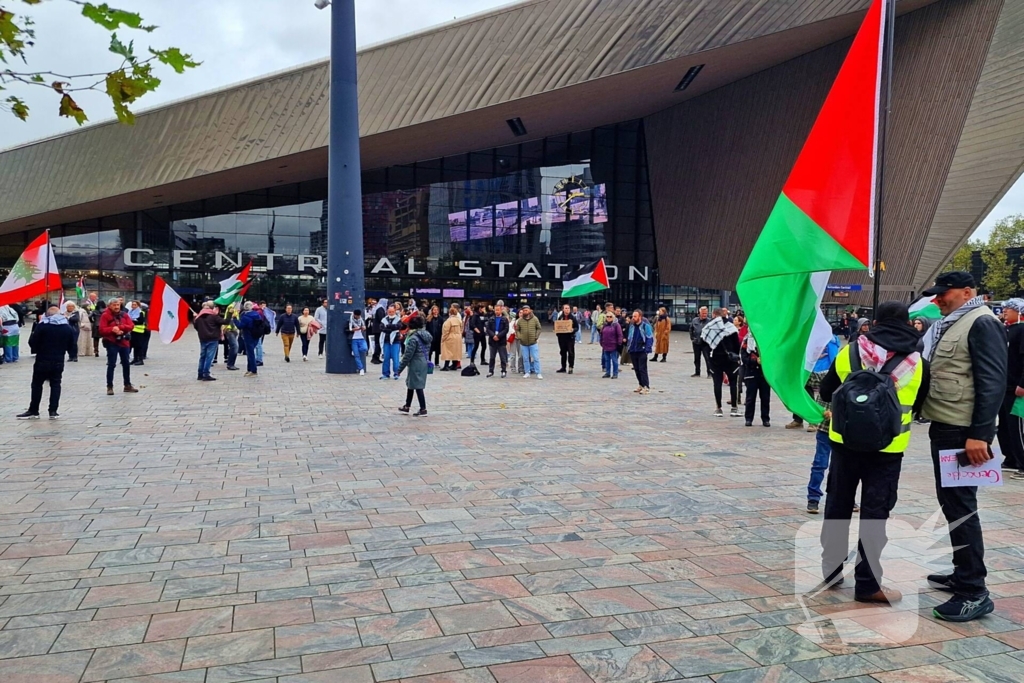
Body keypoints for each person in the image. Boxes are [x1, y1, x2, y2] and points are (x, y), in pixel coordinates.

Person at [818, 301, 928, 605]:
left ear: (874, 322)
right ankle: (868, 585)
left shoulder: (849, 352)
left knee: (838, 505)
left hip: (844, 443)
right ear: (908, 323)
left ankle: (831, 570)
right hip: (888, 450)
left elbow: (826, 392)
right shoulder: (918, 362)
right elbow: (920, 405)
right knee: (875, 515)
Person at [920, 271, 1006, 622]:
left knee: (961, 506)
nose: (938, 299)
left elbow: (993, 380)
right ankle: (962, 573)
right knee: (952, 504)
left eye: (945, 293)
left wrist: (980, 435)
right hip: (946, 423)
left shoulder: (982, 322)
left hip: (963, 432)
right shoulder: (955, 321)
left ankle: (974, 590)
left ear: (968, 291)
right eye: (936, 294)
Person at [17, 305, 76, 419]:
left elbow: (33, 342)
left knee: (37, 384)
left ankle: (34, 410)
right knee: (55, 384)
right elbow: (71, 344)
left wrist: (38, 349)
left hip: (42, 359)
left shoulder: (42, 326)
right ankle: (53, 411)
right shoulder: (66, 327)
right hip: (58, 360)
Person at [998, 299, 1024, 479]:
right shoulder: (1004, 330)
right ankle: (1011, 458)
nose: (1005, 311)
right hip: (1002, 386)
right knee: (1004, 427)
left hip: (1016, 387)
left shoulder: (1022, 330)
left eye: (1010, 308)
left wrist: (1022, 383)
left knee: (1017, 427)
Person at [701, 308, 740, 417]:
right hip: (730, 360)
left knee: (717, 383)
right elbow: (737, 344)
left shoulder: (709, 327)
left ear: (713, 315)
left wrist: (709, 357)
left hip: (715, 360)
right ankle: (734, 408)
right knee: (733, 383)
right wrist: (736, 356)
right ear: (725, 314)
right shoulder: (731, 327)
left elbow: (703, 343)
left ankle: (718, 408)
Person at [98, 297, 139, 395]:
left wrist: (120, 328)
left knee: (126, 364)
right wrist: (112, 329)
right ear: (109, 306)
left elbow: (131, 326)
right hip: (112, 342)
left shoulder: (124, 315)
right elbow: (101, 330)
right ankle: (109, 386)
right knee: (111, 364)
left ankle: (127, 385)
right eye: (114, 305)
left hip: (124, 342)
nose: (116, 307)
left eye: (118, 305)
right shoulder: (105, 315)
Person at [397, 314, 431, 416]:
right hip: (423, 361)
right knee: (411, 384)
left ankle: (423, 408)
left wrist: (399, 369)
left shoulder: (413, 338)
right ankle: (407, 406)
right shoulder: (426, 335)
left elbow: (407, 355)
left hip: (415, 362)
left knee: (417, 385)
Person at [742, 331, 770, 427]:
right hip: (751, 373)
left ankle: (765, 418)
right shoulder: (746, 340)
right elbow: (744, 358)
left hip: (764, 375)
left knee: (765, 398)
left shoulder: (767, 340)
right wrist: (754, 361)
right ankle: (748, 418)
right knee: (750, 398)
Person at [193, 301, 227, 381]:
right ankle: (206, 374)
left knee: (203, 357)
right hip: (212, 339)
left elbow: (196, 327)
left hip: (203, 339)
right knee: (209, 357)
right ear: (212, 308)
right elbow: (225, 322)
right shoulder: (214, 316)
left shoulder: (199, 317)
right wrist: (229, 313)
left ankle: (200, 374)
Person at [626, 309, 654, 394]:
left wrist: (647, 349)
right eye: (633, 316)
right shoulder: (632, 326)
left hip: (642, 350)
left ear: (640, 317)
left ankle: (646, 386)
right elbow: (630, 337)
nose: (633, 318)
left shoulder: (645, 326)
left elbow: (649, 338)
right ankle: (641, 385)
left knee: (642, 369)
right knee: (637, 369)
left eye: (635, 316)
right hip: (633, 350)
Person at [236, 302, 265, 377]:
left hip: (248, 336)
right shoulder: (256, 314)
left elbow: (240, 326)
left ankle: (253, 370)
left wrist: (234, 319)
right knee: (250, 353)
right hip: (256, 335)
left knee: (251, 354)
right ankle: (249, 369)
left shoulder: (246, 317)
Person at [486, 300, 511, 378]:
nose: (497, 311)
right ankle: (491, 371)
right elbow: (488, 329)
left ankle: (503, 371)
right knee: (492, 357)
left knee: (503, 357)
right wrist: (493, 336)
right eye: (495, 310)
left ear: (501, 310)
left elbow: (506, 329)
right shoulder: (491, 319)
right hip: (492, 341)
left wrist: (498, 336)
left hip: (501, 341)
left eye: (498, 310)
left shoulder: (504, 319)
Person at [517, 304, 542, 379]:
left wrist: (536, 336)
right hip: (523, 343)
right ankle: (527, 372)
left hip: (533, 342)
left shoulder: (535, 319)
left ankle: (538, 372)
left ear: (530, 310)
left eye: (526, 310)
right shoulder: (520, 320)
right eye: (524, 310)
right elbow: (517, 329)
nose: (525, 311)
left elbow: (539, 328)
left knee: (536, 358)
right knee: (525, 358)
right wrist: (519, 336)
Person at [379, 304, 402, 380]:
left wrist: (388, 327)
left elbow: (398, 326)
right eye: (389, 311)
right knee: (386, 358)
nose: (391, 313)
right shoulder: (384, 319)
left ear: (395, 311)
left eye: (392, 311)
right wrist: (391, 327)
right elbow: (382, 328)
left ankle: (396, 373)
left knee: (396, 359)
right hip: (386, 341)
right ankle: (385, 374)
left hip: (396, 341)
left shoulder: (398, 319)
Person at [555, 304, 579, 374]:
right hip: (562, 338)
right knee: (563, 352)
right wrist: (558, 334)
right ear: (563, 309)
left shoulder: (573, 317)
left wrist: (573, 330)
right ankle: (563, 367)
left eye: (568, 308)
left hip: (570, 338)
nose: (567, 309)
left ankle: (571, 367)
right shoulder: (560, 317)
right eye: (566, 308)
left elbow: (577, 327)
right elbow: (557, 326)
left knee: (571, 352)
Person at [599, 310, 623, 379]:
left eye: (610, 317)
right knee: (607, 360)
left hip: (614, 345)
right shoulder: (604, 325)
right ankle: (608, 372)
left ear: (613, 317)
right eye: (607, 316)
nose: (609, 318)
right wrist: (601, 342)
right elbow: (602, 334)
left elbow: (620, 335)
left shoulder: (616, 325)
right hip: (605, 345)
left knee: (614, 360)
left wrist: (619, 343)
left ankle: (615, 373)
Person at [690, 306, 713, 378]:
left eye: (706, 313)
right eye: (703, 313)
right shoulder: (695, 320)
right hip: (696, 342)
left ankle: (709, 373)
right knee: (696, 358)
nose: (704, 315)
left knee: (708, 359)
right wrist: (692, 338)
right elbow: (691, 329)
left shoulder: (710, 321)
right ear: (699, 313)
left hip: (706, 343)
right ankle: (697, 372)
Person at [440, 304, 463, 371]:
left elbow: (446, 331)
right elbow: (462, 328)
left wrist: (443, 338)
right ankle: (455, 365)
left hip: (450, 337)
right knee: (455, 351)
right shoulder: (459, 320)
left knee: (448, 352)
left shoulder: (449, 321)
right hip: (458, 337)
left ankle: (446, 366)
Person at [349, 309, 368, 375]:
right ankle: (361, 368)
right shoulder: (350, 320)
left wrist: (363, 328)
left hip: (361, 338)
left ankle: (355, 351)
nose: (358, 317)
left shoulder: (361, 319)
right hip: (354, 338)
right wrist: (354, 329)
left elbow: (364, 326)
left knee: (365, 348)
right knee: (357, 356)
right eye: (357, 316)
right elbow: (349, 329)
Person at [222, 304, 240, 371]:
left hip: (234, 330)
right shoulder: (231, 306)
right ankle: (230, 364)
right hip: (230, 330)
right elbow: (231, 318)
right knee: (234, 346)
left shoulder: (235, 307)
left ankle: (231, 363)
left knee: (233, 347)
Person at [128, 301, 147, 366]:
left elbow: (141, 321)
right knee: (133, 346)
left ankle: (140, 359)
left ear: (138, 305)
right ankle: (135, 359)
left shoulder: (141, 312)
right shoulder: (130, 312)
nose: (133, 306)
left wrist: (133, 321)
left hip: (139, 331)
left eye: (135, 305)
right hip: (132, 331)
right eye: (132, 304)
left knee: (139, 346)